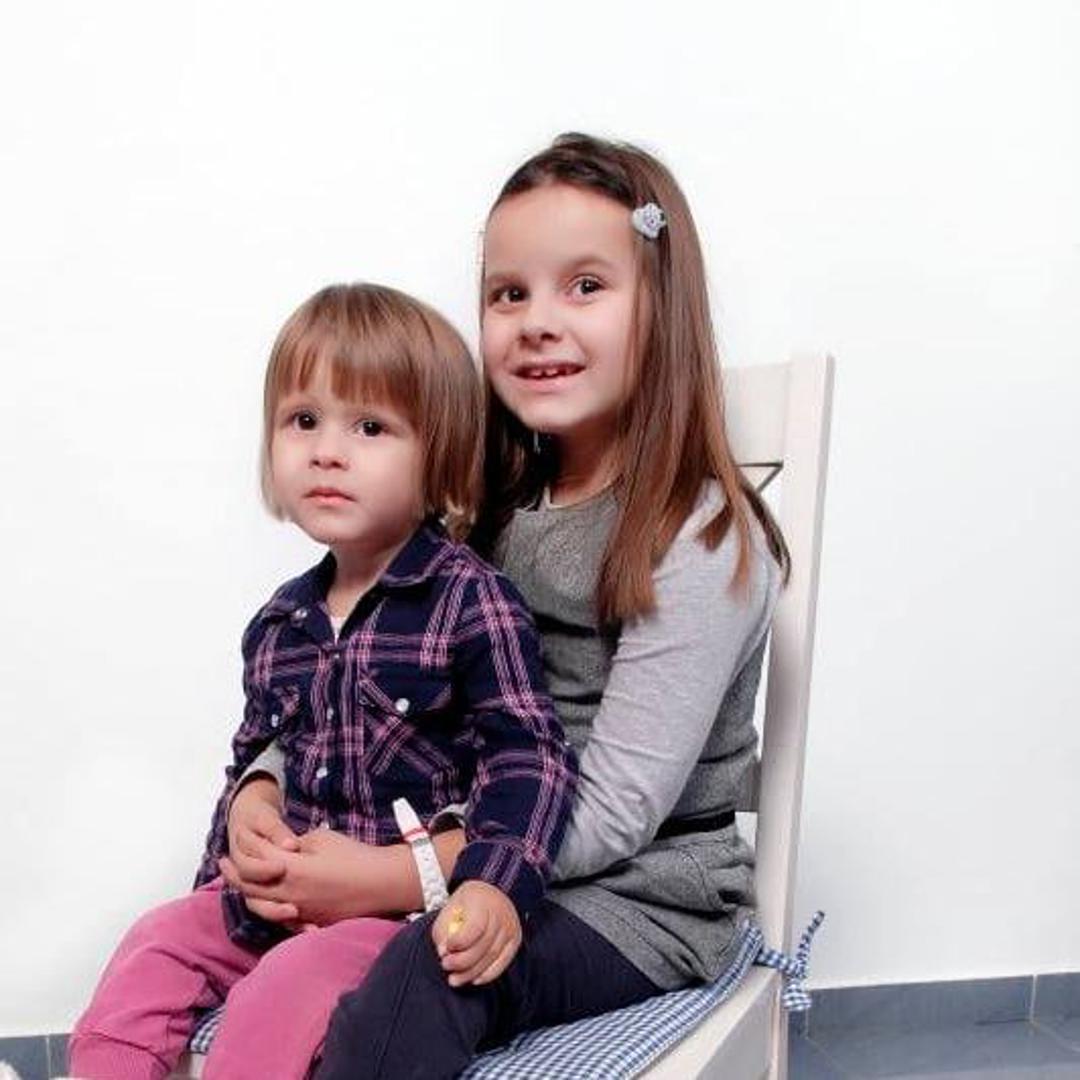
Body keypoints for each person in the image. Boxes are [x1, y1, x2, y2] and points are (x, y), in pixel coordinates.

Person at [307, 134, 793, 1078]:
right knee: (260, 935)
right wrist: (271, 786)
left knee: (432, 972)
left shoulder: (695, 538)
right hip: (481, 845)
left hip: (638, 898)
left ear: (662, 308)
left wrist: (404, 872)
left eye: (585, 286)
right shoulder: (484, 510)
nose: (537, 322)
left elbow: (614, 811)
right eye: (508, 293)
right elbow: (352, 656)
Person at [67, 283, 577, 1080]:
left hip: (392, 914)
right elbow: (255, 757)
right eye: (303, 420)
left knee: (284, 992)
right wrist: (244, 828)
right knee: (155, 941)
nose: (327, 451)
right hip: (279, 901)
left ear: (438, 454)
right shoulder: (280, 622)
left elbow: (528, 759)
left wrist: (496, 884)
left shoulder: (472, 602)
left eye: (370, 427)